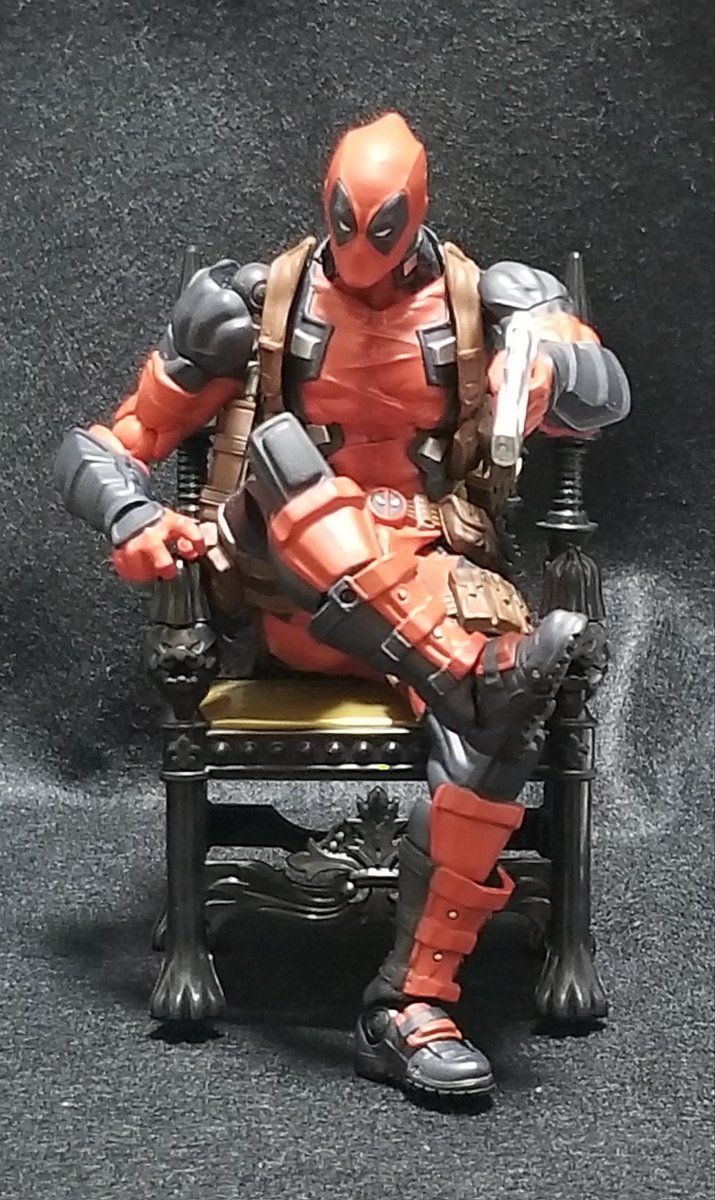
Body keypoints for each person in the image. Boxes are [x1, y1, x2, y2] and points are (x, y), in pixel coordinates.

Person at [55, 112, 630, 1100]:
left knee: (497, 724)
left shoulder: (493, 300)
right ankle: (468, 678)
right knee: (283, 455)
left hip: (434, 588)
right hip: (289, 593)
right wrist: (129, 516)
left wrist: (547, 362)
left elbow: (602, 396)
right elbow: (106, 443)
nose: (362, 249)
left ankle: (409, 1005)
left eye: (383, 227)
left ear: (418, 213)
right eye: (347, 222)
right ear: (326, 204)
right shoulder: (245, 304)